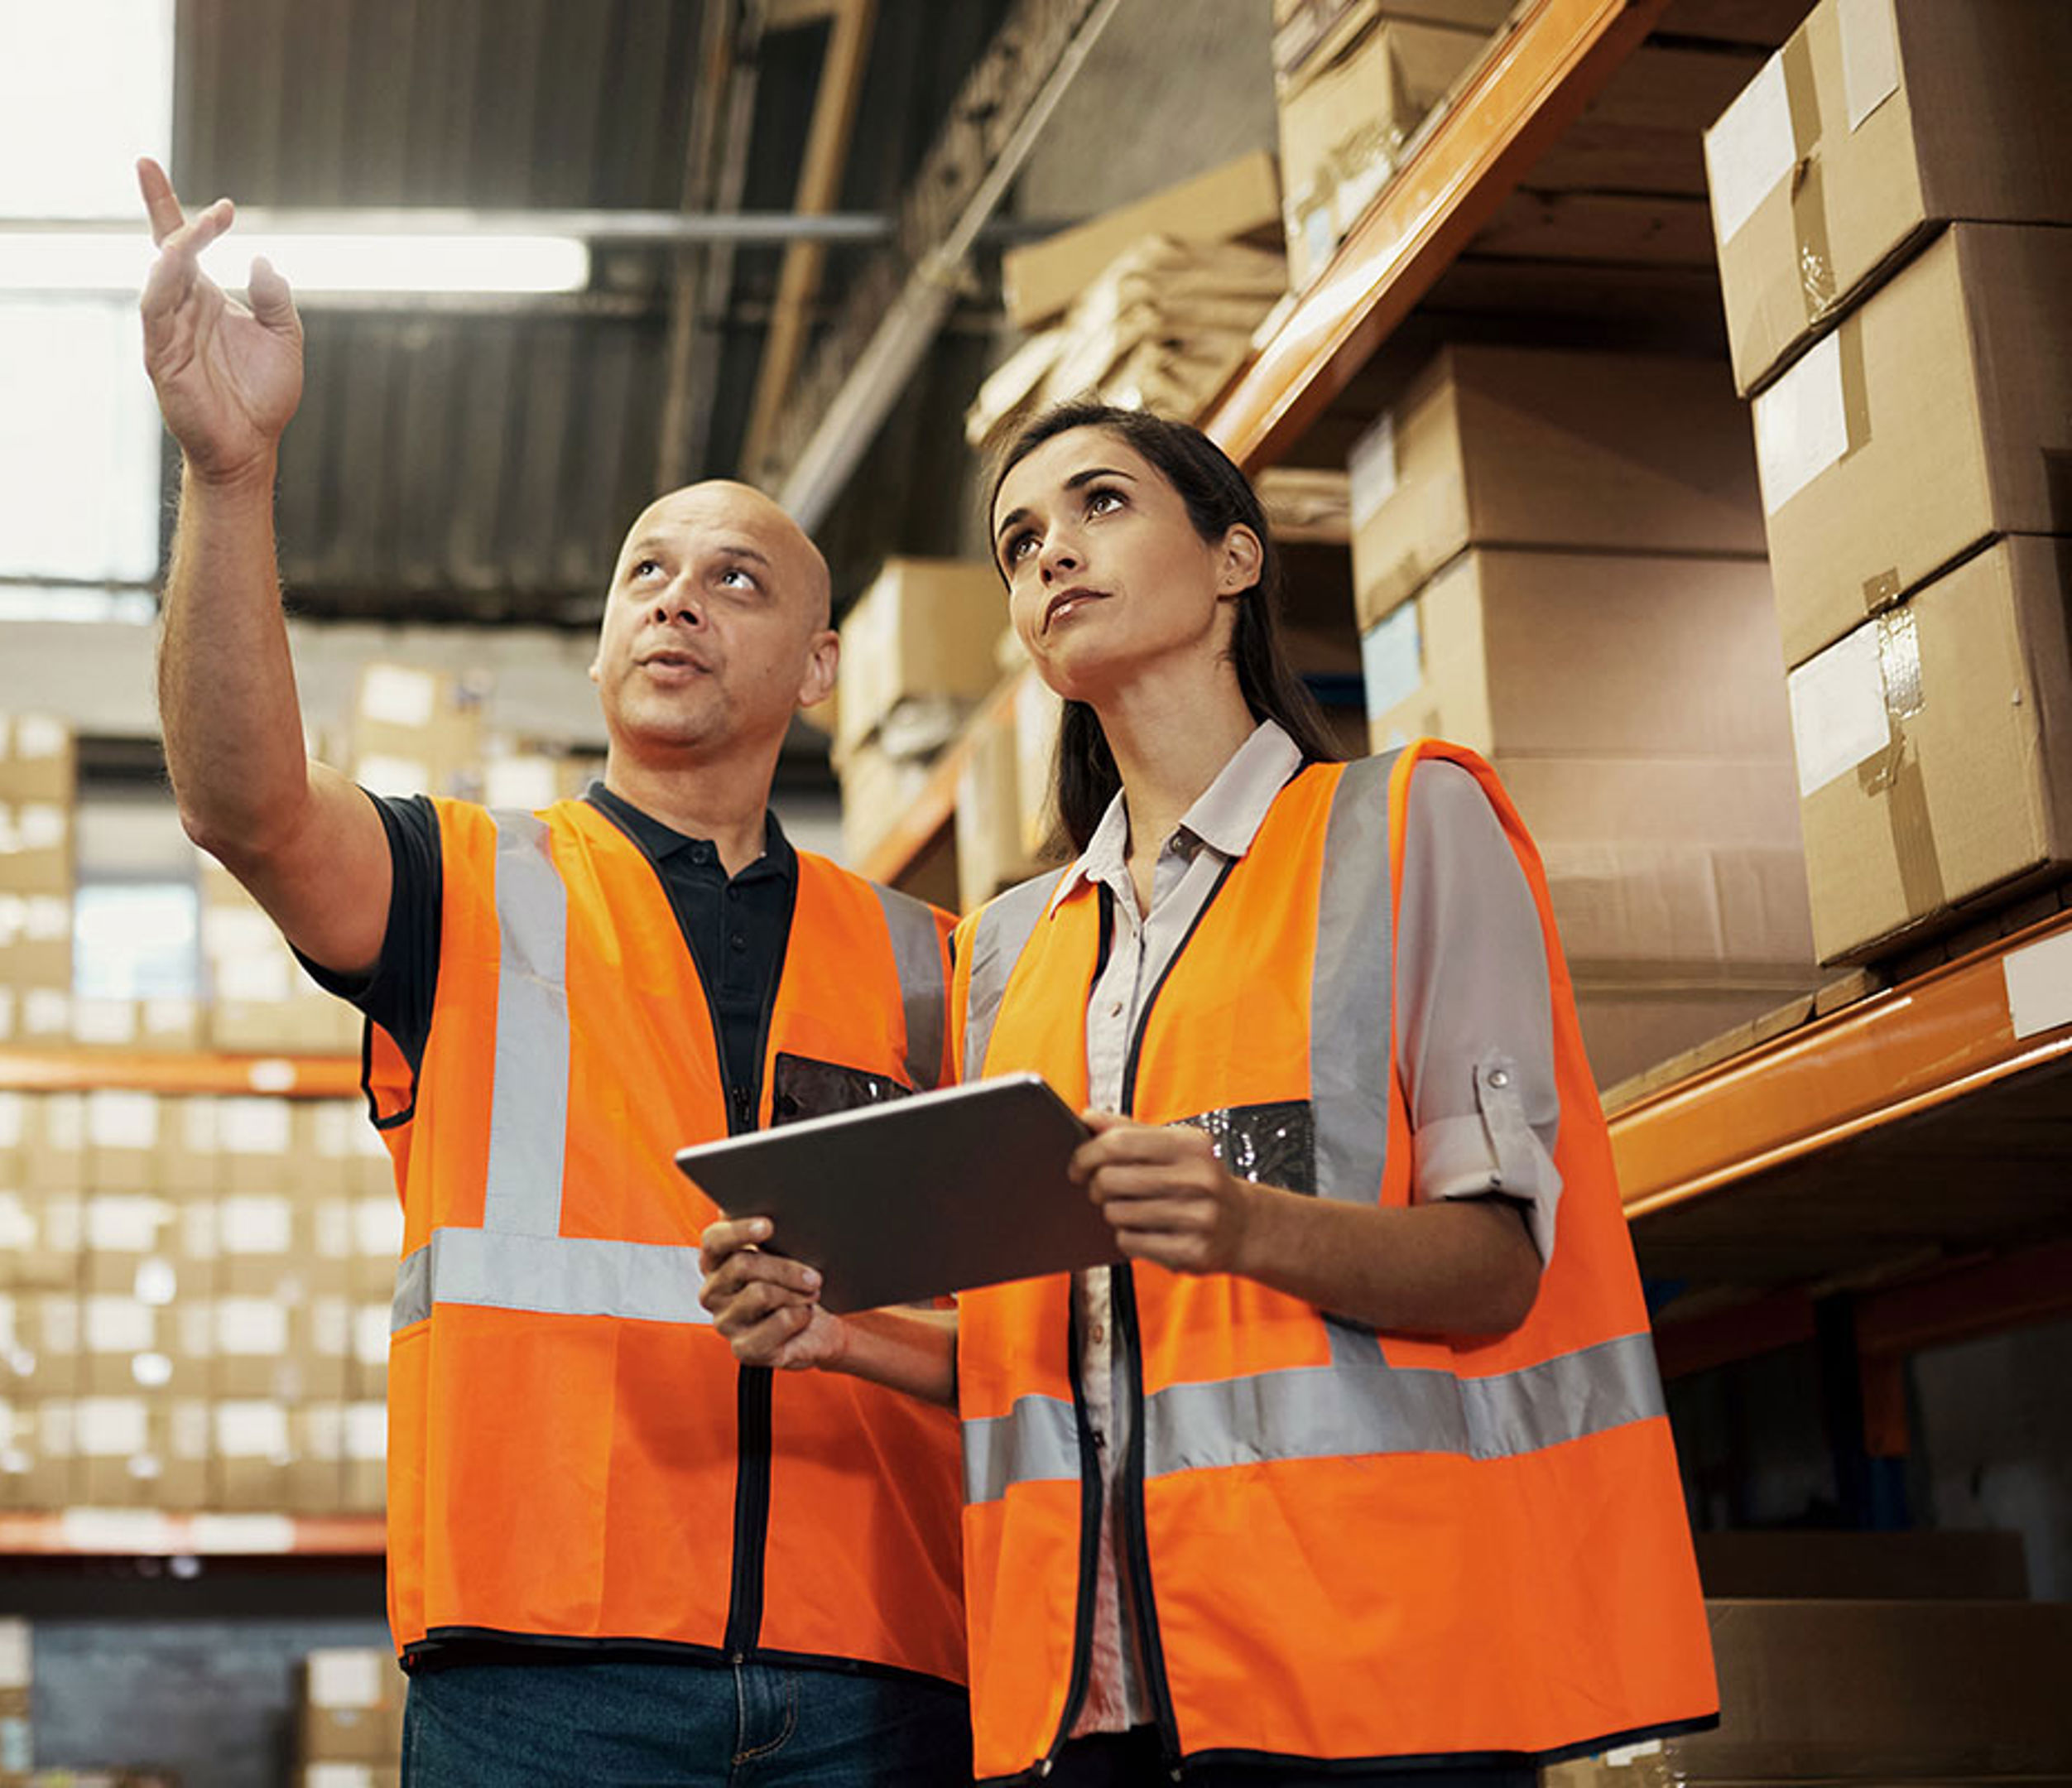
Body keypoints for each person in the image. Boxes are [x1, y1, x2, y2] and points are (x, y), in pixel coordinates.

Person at [701, 401, 1719, 1786]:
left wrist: (1243, 1226)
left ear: (1237, 557)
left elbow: (1496, 1272)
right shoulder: (1007, 950)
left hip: (1365, 1681)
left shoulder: (1406, 829)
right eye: (1019, 544)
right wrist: (843, 1335)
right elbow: (1048, 1352)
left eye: (1101, 504)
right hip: (1085, 1703)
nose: (1053, 553)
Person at [137, 158, 974, 1787]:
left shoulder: (932, 962)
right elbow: (242, 805)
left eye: (736, 579)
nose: (679, 601)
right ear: (600, 645)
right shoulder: (466, 885)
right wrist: (230, 478)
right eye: (647, 573)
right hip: (545, 1679)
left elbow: (1016, 1327)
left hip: (878, 1674)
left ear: (820, 667)